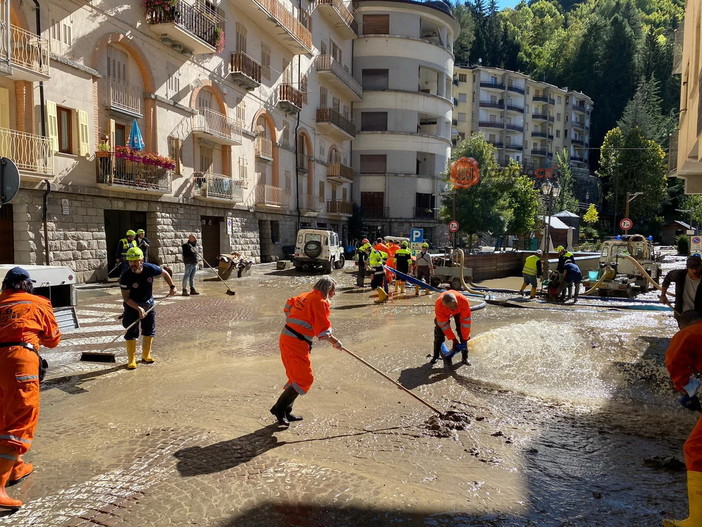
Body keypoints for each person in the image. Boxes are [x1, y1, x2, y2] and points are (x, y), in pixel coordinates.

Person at [0, 267, 61, 509]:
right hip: (19, 361)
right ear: (26, 285)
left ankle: (15, 467)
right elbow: (53, 339)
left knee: (3, 415)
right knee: (20, 420)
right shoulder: (37, 302)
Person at [270, 277, 343, 427]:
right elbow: (323, 332)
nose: (335, 294)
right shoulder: (320, 302)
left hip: (289, 338)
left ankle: (286, 411)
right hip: (295, 342)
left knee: (296, 376)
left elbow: (288, 305)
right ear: (328, 290)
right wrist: (335, 342)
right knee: (304, 379)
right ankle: (279, 409)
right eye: (334, 290)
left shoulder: (305, 295)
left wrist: (295, 322)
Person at [663, 310, 702, 526]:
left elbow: (674, 361)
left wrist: (687, 388)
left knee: (696, 449)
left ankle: (698, 520)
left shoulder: (688, 333)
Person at [120, 247, 177, 369]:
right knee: (131, 332)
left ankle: (146, 355)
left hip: (149, 304)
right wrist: (138, 308)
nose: (133, 264)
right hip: (132, 307)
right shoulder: (125, 277)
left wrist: (172, 287)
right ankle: (132, 360)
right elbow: (126, 298)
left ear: (141, 260)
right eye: (130, 261)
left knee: (149, 330)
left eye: (135, 261)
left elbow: (165, 273)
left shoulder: (150, 268)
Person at [661, 255, 702, 327]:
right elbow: (667, 278)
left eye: (697, 268)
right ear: (687, 267)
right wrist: (663, 295)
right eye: (692, 268)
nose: (695, 271)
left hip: (699, 315)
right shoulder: (680, 275)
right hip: (683, 314)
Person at [433, 290, 471, 366]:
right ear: (445, 305)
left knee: (462, 333)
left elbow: (466, 323)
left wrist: (465, 338)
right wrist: (453, 339)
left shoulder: (463, 301)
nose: (453, 308)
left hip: (459, 312)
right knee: (439, 335)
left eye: (455, 305)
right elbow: (444, 325)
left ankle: (465, 358)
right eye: (451, 307)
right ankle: (436, 356)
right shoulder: (439, 306)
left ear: (456, 300)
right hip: (443, 314)